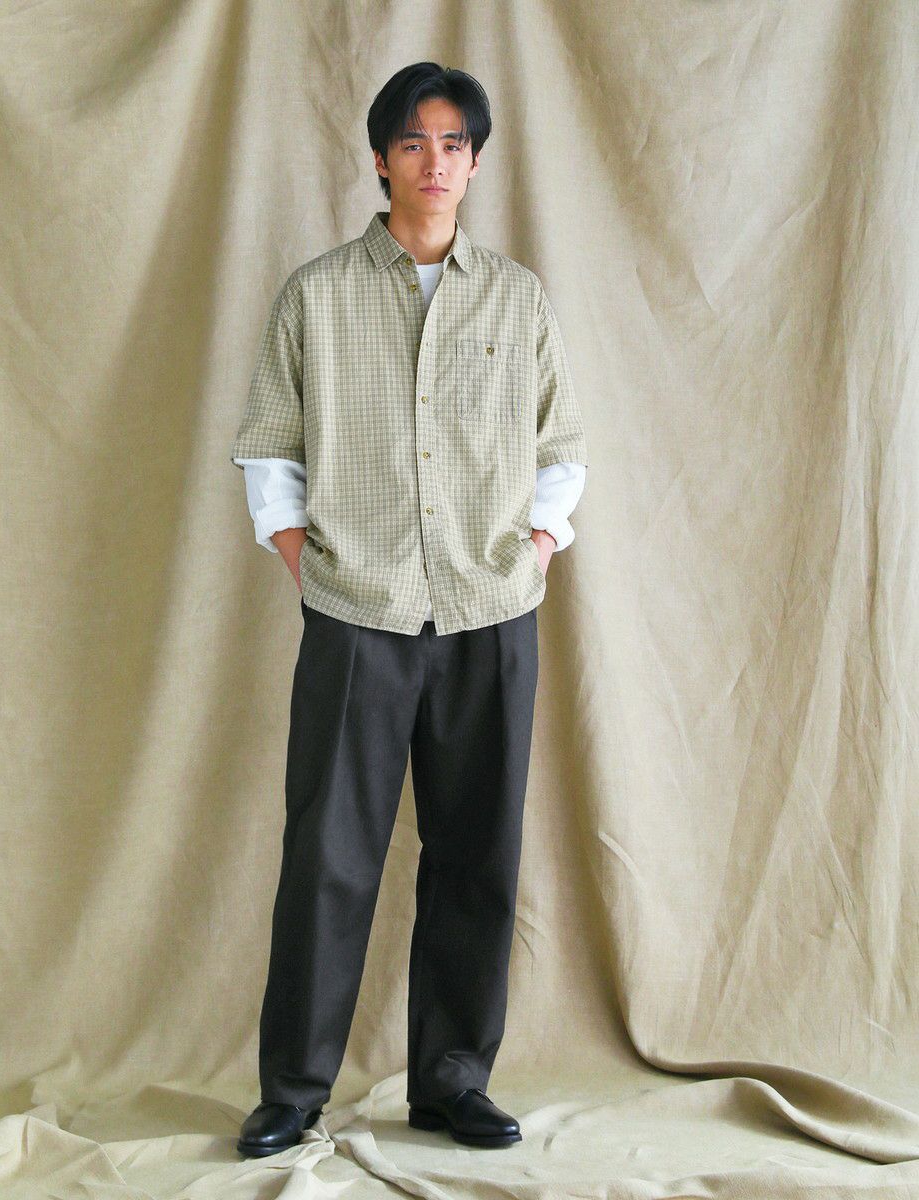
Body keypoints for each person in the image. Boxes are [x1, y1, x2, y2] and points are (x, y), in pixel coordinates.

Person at [231, 62, 587, 1157]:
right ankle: (293, 1092)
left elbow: (560, 447)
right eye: (414, 142)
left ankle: (451, 1082)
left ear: (475, 163)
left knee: (477, 854)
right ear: (381, 159)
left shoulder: (518, 298)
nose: (435, 162)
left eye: (453, 144)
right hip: (358, 614)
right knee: (328, 855)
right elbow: (270, 447)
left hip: (490, 612)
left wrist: (535, 547)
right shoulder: (316, 295)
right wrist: (310, 565)